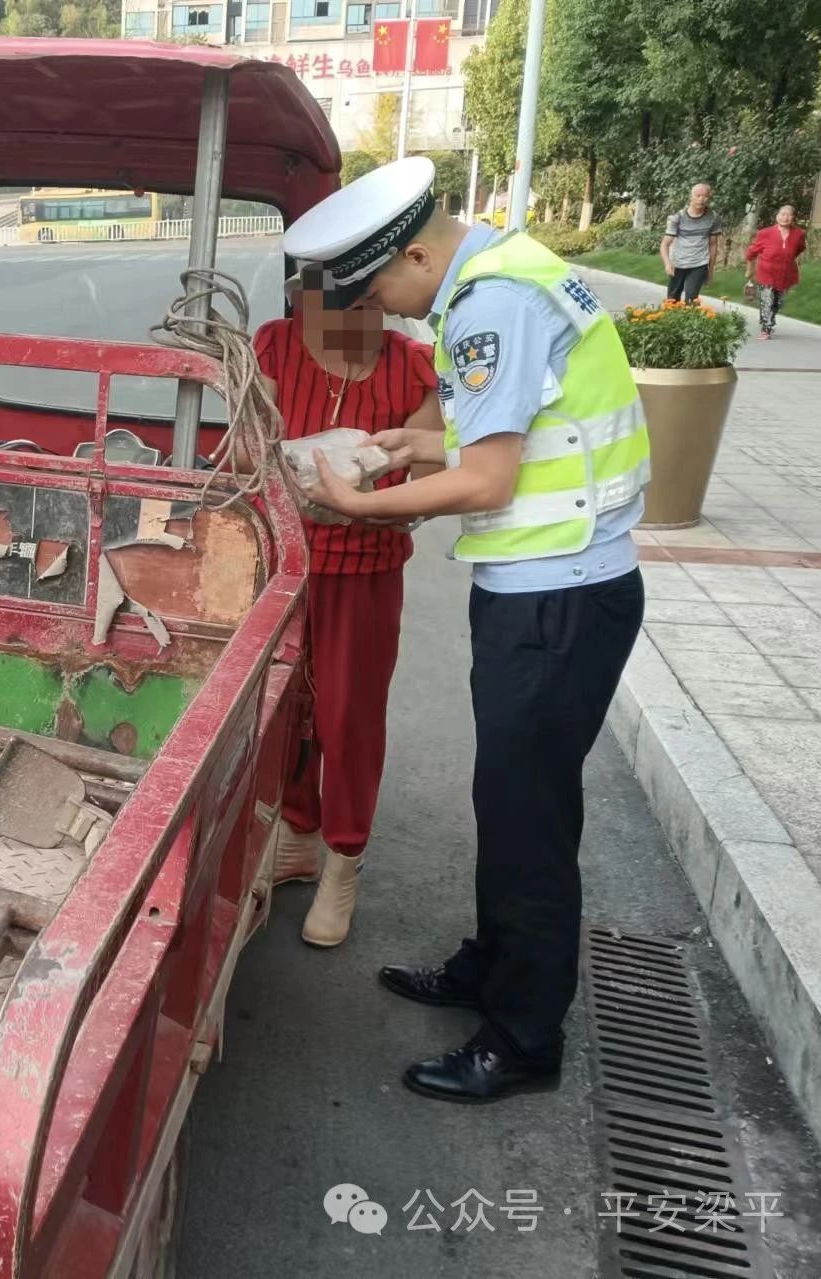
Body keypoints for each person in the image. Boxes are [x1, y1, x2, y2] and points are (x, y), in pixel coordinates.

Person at [285, 156, 649, 1104]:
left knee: (531, 823)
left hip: (555, 595)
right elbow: (509, 431)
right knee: (509, 799)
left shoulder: (489, 305)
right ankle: (492, 967)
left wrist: (355, 503)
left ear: (413, 253)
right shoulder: (509, 270)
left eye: (384, 292)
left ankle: (523, 1039)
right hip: (554, 585)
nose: (390, 314)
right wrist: (409, 442)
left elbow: (487, 481)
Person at [254, 264, 444, 948]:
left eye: (365, 303)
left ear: (378, 302)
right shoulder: (273, 348)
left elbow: (425, 486)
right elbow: (252, 453)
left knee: (348, 714)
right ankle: (298, 832)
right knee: (283, 709)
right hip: (281, 566)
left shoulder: (413, 371)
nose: (343, 323)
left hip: (363, 570)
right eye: (320, 306)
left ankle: (343, 859)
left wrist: (370, 507)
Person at [744, 205, 807, 340]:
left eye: (789, 215)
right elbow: (751, 252)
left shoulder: (799, 234)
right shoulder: (765, 233)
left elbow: (799, 248)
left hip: (785, 273)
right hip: (766, 272)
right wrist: (749, 268)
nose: (785, 217)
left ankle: (770, 320)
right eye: (782, 214)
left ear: (793, 218)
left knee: (778, 302)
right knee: (767, 299)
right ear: (777, 216)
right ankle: (766, 328)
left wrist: (787, 257)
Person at [661, 184, 722, 302]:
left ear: (709, 198)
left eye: (705, 196)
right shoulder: (678, 218)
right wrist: (667, 263)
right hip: (678, 263)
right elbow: (665, 244)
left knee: (691, 300)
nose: (701, 199)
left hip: (699, 263)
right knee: (672, 300)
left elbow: (713, 245)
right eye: (698, 195)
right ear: (691, 197)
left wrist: (711, 270)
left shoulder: (714, 217)